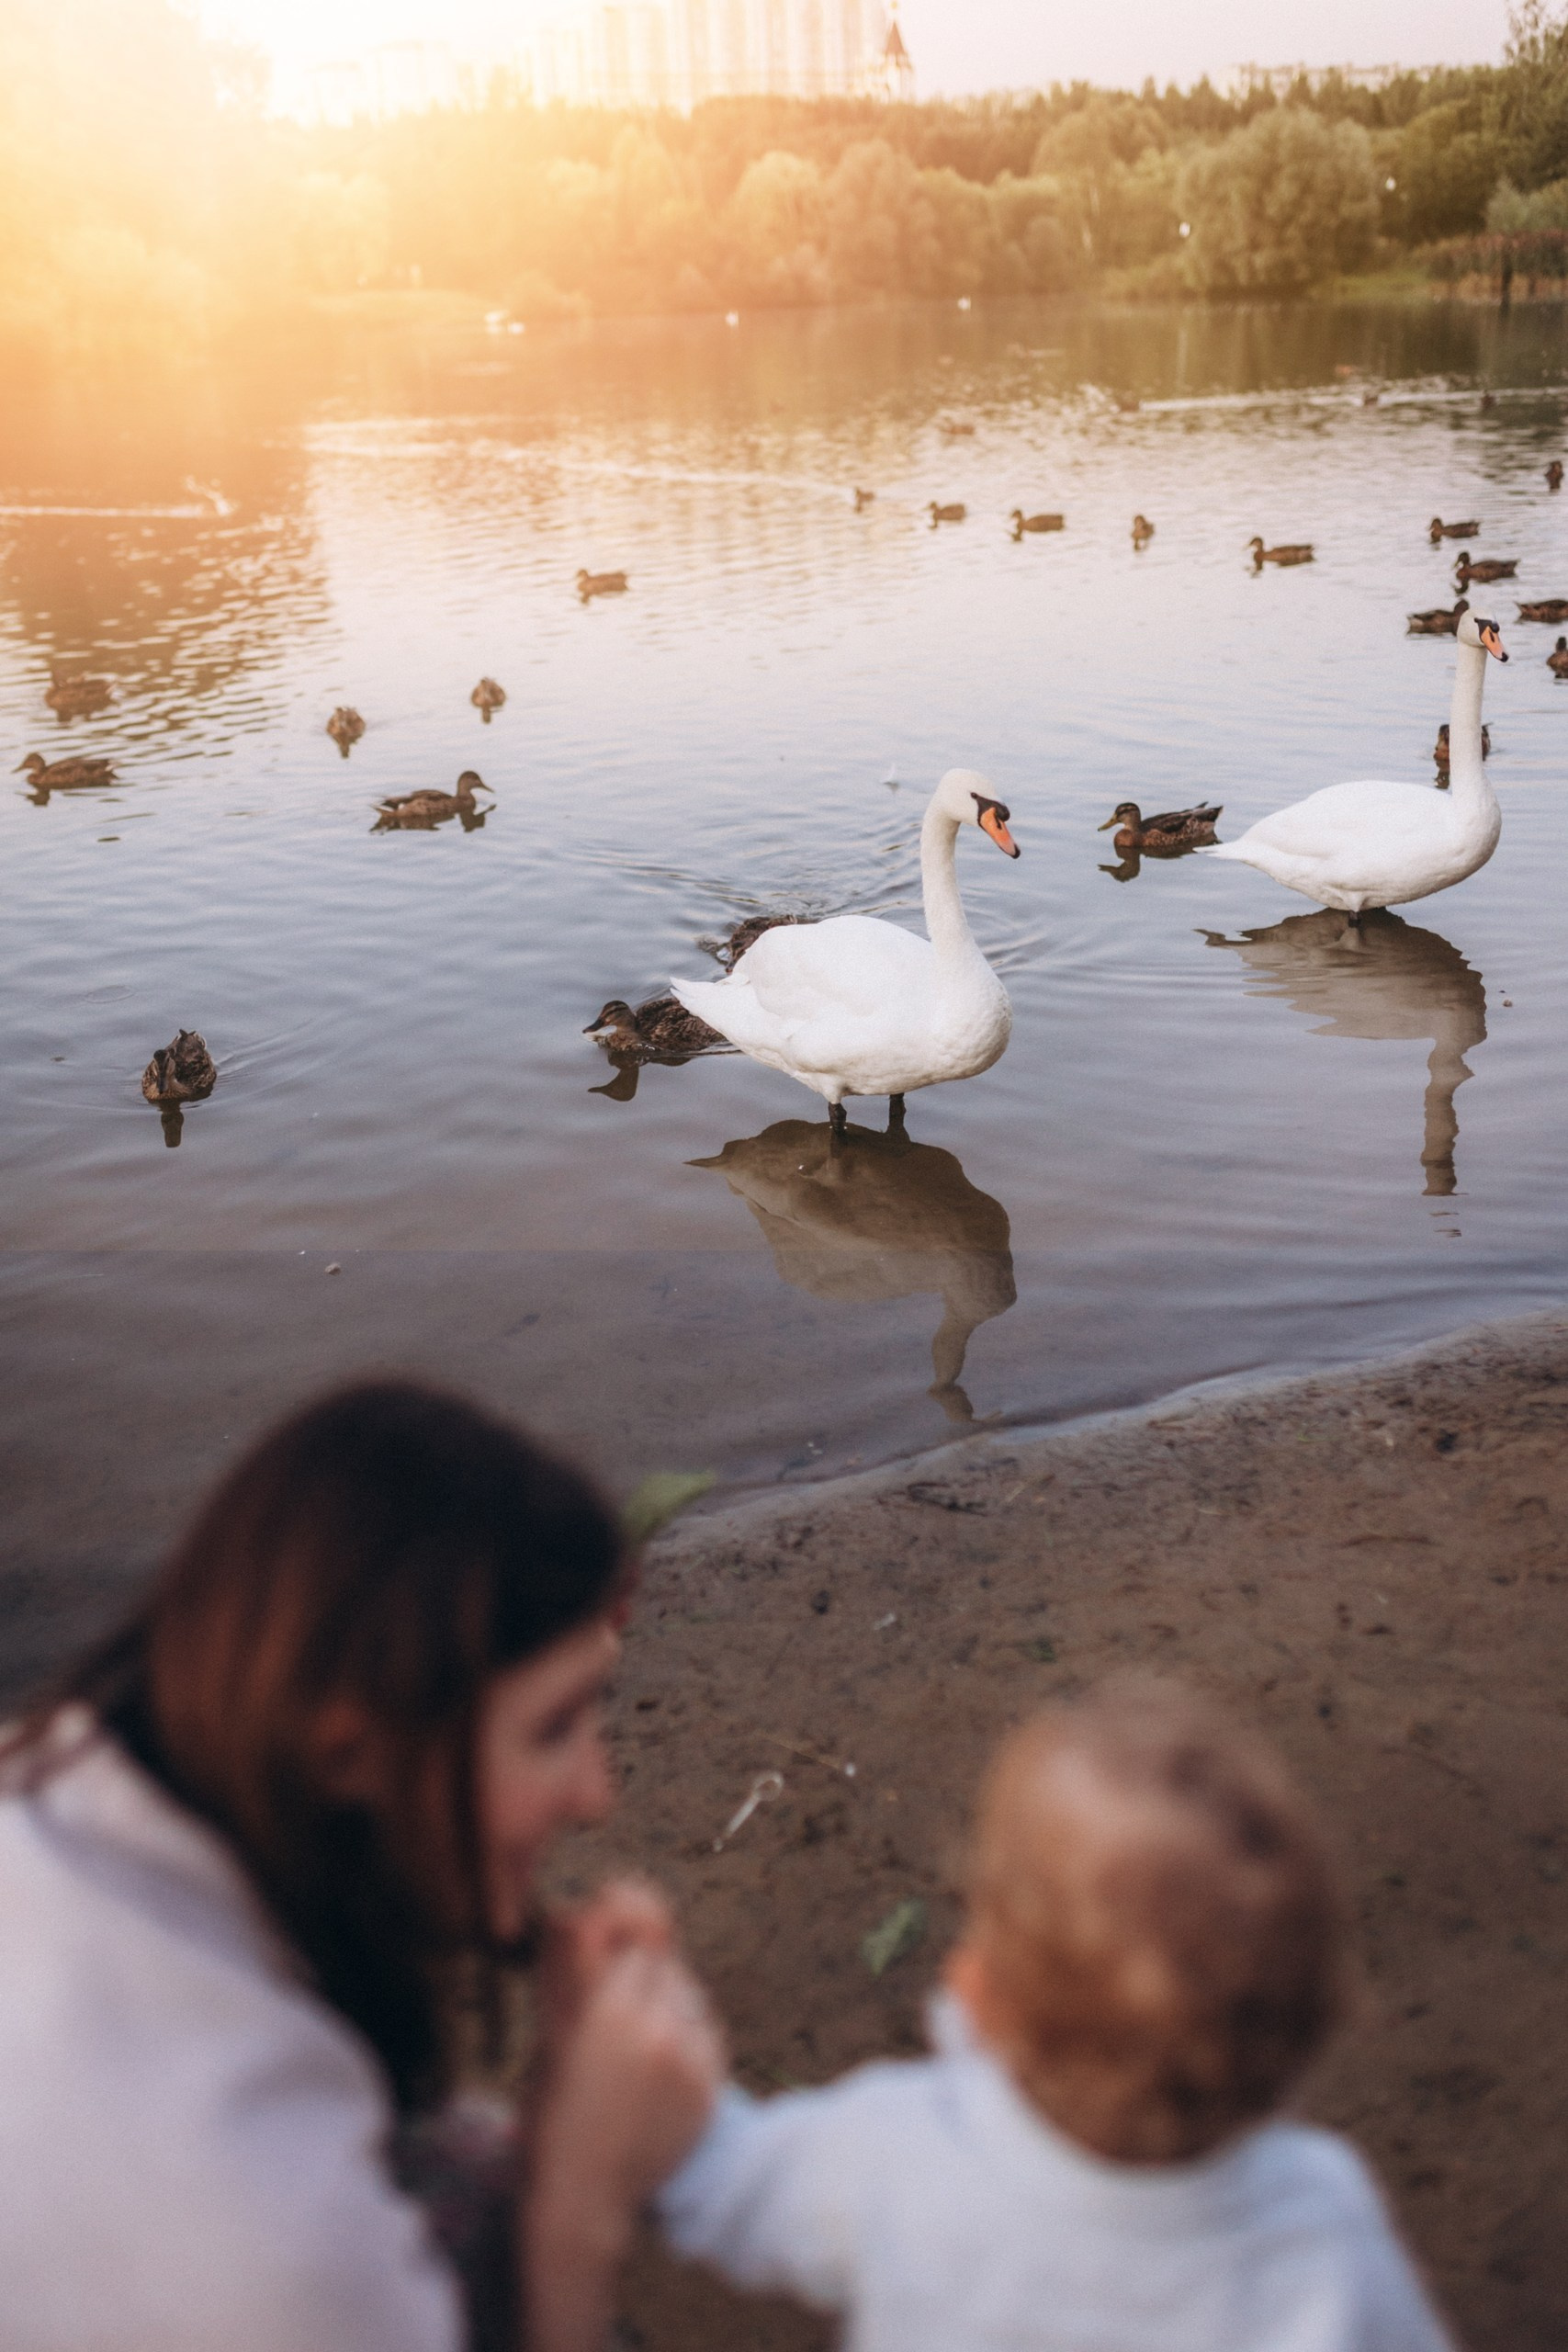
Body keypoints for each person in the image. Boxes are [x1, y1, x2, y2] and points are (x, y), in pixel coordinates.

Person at [0, 1381, 722, 2352]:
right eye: (553, 1727)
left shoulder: (60, 1774)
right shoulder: (262, 2238)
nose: (597, 1794)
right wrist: (579, 2196)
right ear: (347, 1753)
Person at [660, 1682, 1454, 2352]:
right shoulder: (1321, 2222)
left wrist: (654, 2016)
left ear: (977, 1992)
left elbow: (716, 2181)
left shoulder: (899, 2154)